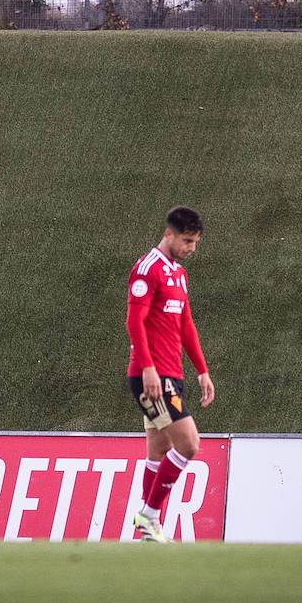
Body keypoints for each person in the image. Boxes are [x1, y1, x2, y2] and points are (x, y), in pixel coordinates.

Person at [124, 205, 215, 544]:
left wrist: (202, 371)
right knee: (189, 445)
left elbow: (186, 326)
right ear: (169, 234)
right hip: (152, 377)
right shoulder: (147, 269)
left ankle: (149, 529)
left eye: (196, 242)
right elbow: (134, 322)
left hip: (170, 375)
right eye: (187, 241)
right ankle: (148, 516)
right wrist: (147, 367)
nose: (191, 247)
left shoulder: (178, 273)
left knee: (159, 452)